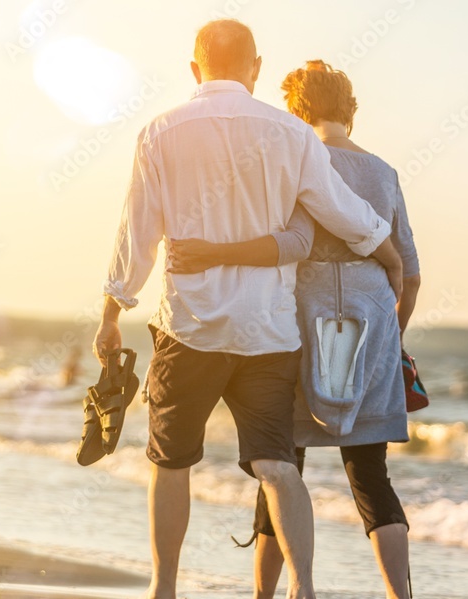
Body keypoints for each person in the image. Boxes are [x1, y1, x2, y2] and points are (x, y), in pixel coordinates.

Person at [92, 22, 404, 599]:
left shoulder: (160, 132)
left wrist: (114, 309)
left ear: (193, 70)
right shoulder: (290, 133)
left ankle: (164, 589)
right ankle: (303, 588)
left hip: (191, 327)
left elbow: (137, 232)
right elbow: (340, 210)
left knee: (172, 461)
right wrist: (387, 253)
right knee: (276, 464)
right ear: (255, 67)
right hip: (268, 331)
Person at [169, 60, 421, 599]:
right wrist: (391, 343)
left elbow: (284, 243)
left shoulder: (292, 156)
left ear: (296, 108)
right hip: (372, 316)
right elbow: (412, 275)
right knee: (371, 474)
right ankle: (402, 596)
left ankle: (267, 594)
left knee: (281, 464)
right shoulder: (384, 173)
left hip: (299, 317)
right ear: (349, 108)